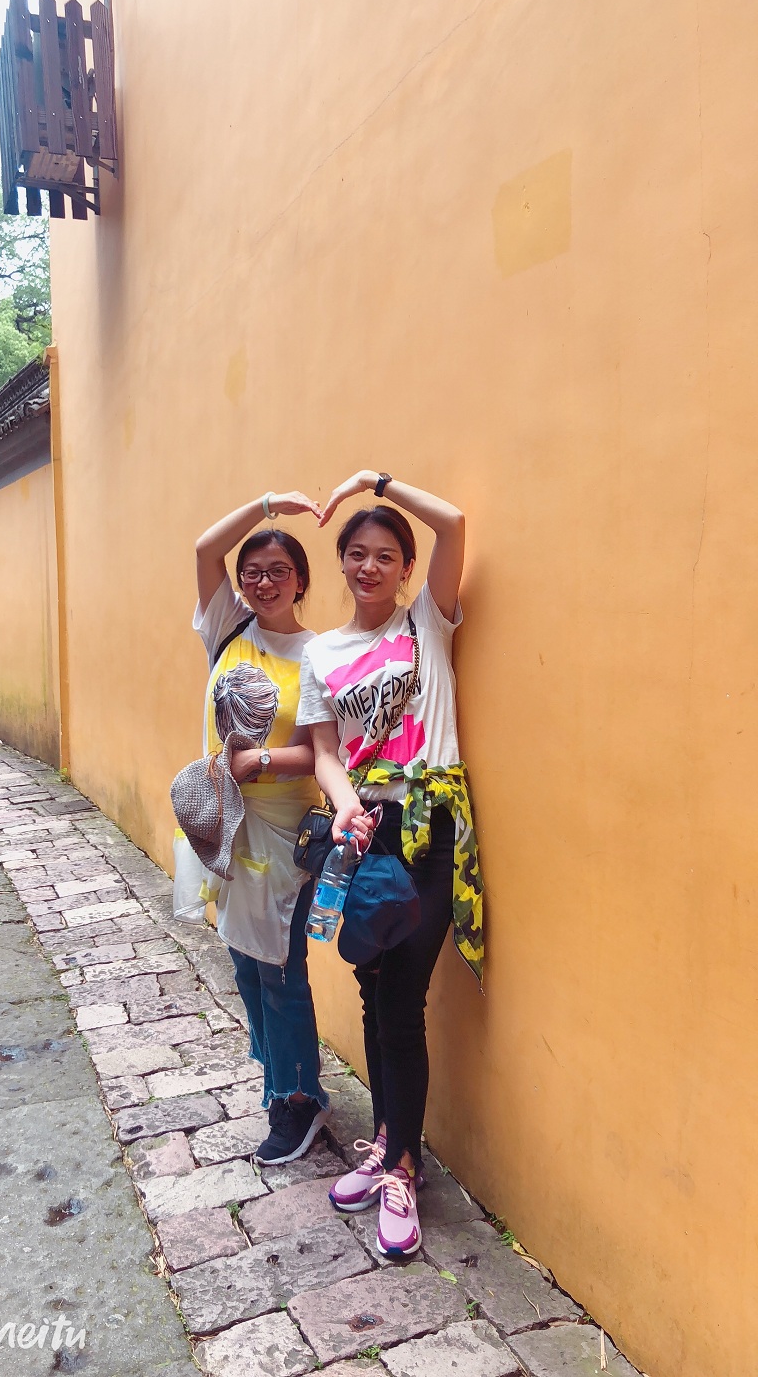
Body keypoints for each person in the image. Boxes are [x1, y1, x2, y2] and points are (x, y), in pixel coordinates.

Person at [297, 470, 483, 1256]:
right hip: (363, 831)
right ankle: (385, 1143)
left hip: (427, 827)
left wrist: (375, 482)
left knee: (403, 999)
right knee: (374, 994)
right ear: (340, 563)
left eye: (385, 556)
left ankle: (404, 1169)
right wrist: (343, 804)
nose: (369, 567)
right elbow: (324, 750)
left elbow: (455, 523)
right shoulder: (322, 652)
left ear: (406, 567)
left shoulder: (426, 623)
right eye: (357, 554)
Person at [182, 490, 331, 1164]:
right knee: (244, 962)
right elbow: (204, 548)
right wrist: (268, 505)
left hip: (284, 830)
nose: (264, 582)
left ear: (301, 581)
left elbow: (322, 752)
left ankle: (299, 1100)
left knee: (279, 968)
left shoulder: (320, 654)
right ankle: (278, 1080)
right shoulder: (228, 629)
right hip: (227, 826)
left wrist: (258, 761)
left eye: (279, 571)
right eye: (253, 572)